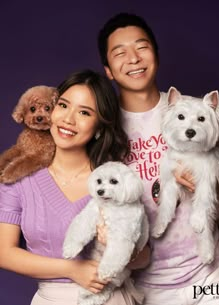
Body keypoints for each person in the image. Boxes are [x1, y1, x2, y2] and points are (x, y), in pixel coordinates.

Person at [97, 13, 219, 304]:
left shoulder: (200, 114)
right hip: (146, 288)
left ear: (156, 54)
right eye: (120, 53)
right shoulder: (103, 132)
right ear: (108, 70)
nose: (133, 58)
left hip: (209, 279)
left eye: (141, 46)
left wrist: (215, 185)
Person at [0, 69, 150, 305]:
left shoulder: (114, 180)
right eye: (63, 105)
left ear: (100, 126)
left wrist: (123, 248)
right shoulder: (17, 177)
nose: (68, 119)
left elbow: (145, 256)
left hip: (109, 298)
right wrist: (72, 269)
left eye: (84, 112)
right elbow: (4, 253)